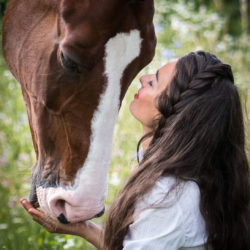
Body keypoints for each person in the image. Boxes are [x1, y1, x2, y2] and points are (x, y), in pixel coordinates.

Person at [21, 51, 250, 250]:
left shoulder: (169, 195)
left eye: (154, 83)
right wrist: (83, 229)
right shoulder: (191, 178)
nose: (143, 78)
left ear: (177, 112)